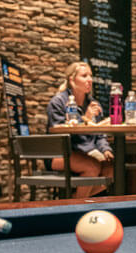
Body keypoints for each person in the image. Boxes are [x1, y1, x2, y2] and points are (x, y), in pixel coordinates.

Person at [45, 61, 113, 198]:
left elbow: (99, 133)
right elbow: (59, 131)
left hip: (86, 152)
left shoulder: (93, 104)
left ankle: (72, 201)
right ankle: (76, 207)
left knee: (112, 168)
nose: (89, 79)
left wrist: (105, 149)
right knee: (92, 167)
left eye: (91, 76)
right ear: (72, 79)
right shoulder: (58, 102)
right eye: (84, 75)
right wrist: (85, 119)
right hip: (60, 154)